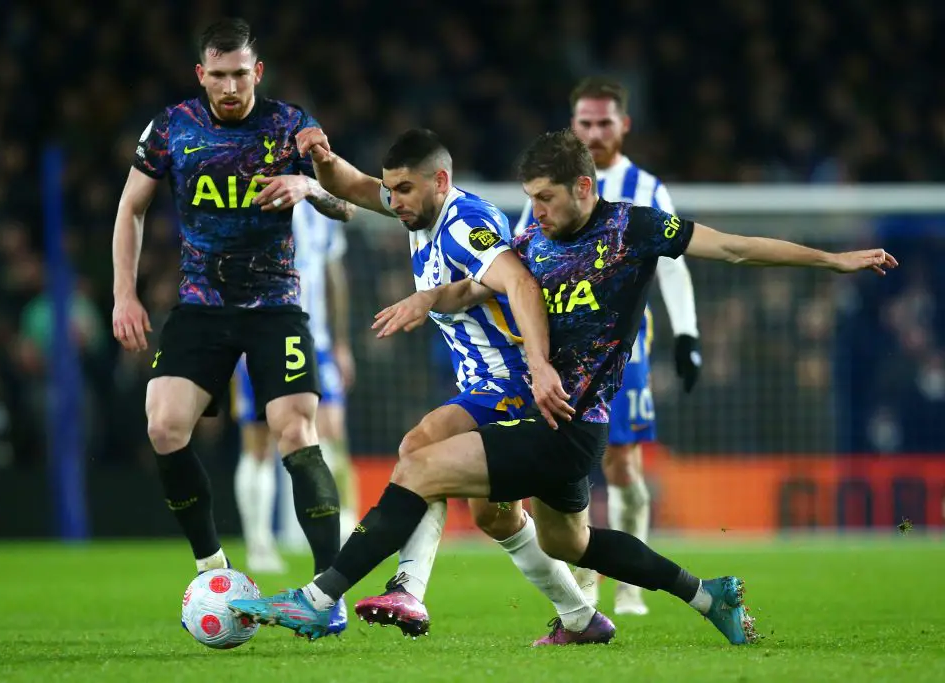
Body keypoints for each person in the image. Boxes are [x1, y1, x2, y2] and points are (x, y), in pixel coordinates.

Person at [230, 128, 897, 645]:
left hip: (562, 420)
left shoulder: (633, 228)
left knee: (420, 461)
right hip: (557, 422)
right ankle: (705, 595)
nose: (536, 211)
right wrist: (431, 294)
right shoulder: (534, 235)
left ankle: (322, 600)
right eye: (531, 200)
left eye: (546, 197)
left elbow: (733, 248)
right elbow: (488, 280)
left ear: (584, 186)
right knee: (568, 543)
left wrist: (832, 260)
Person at [280, 126, 608, 645]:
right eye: (392, 189)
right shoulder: (417, 210)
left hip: (513, 383)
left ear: (440, 180)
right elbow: (352, 186)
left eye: (404, 189)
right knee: (496, 518)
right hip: (483, 383)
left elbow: (520, 282)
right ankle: (581, 618)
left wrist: (541, 366)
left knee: (418, 448)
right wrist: (322, 158)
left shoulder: (465, 223)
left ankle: (404, 588)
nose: (394, 200)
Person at [110, 18, 354, 632]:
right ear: (201, 74)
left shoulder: (293, 126)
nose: (229, 86)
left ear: (257, 72)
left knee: (295, 430)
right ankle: (212, 567)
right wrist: (124, 295)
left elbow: (346, 203)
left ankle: (329, 598)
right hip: (200, 305)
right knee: (164, 427)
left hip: (275, 306)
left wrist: (308, 184)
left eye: (239, 74)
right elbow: (131, 207)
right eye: (217, 75)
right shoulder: (171, 128)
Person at [515, 76, 701, 614]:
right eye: (585, 123)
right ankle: (592, 577)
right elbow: (524, 268)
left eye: (604, 122)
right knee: (571, 472)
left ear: (624, 125)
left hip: (627, 355)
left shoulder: (647, 189)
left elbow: (675, 265)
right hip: (567, 355)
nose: (595, 132)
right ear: (573, 127)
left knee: (623, 463)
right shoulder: (548, 192)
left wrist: (686, 333)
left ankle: (631, 587)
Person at [231, 200, 358, 574]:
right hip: (260, 337)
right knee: (259, 442)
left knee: (332, 432)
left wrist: (341, 343)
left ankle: (346, 529)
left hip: (315, 341)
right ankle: (259, 543)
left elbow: (333, 275)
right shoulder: (254, 202)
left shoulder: (322, 208)